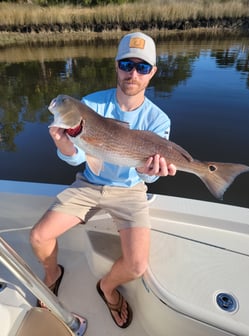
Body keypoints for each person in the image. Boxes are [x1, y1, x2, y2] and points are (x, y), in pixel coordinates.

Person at [30, 31, 176, 329]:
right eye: (126, 64)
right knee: (38, 237)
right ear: (116, 65)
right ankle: (52, 275)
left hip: (130, 191)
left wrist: (150, 172)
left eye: (142, 67)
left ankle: (106, 287)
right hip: (89, 184)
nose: (133, 73)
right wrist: (63, 144)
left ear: (152, 73)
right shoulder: (91, 105)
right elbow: (79, 159)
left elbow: (145, 172)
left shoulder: (159, 120)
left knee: (136, 266)